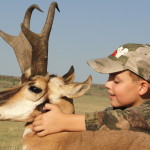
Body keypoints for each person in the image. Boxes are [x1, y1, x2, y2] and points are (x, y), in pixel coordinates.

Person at [32, 43, 150, 136]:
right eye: (109, 77)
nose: (107, 84)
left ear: (142, 87)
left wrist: (64, 121)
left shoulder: (142, 114)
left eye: (117, 81)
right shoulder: (115, 110)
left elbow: (123, 119)